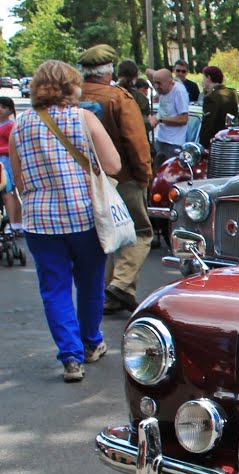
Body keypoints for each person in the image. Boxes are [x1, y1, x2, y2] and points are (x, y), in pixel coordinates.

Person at [9, 60, 122, 382]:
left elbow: (18, 180)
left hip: (41, 222)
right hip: (85, 216)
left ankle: (70, 358)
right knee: (90, 283)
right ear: (72, 86)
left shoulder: (21, 126)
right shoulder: (84, 118)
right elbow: (113, 164)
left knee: (54, 289)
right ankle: (91, 343)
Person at [79, 45, 154, 315]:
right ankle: (121, 285)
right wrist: (144, 175)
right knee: (139, 232)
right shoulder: (119, 98)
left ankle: (112, 292)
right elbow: (136, 141)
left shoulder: (72, 98)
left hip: (84, 179)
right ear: (108, 70)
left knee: (108, 235)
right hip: (121, 177)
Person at [146, 67, 189, 165]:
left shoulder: (179, 91)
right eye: (155, 83)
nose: (156, 86)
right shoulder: (162, 88)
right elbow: (148, 71)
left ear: (170, 83)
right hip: (161, 139)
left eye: (159, 83)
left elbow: (183, 119)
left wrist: (159, 120)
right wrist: (158, 75)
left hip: (174, 143)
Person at [198, 65, 238, 149]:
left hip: (215, 142)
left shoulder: (210, 97)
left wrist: (203, 145)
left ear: (208, 77)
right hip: (230, 138)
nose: (203, 81)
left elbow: (208, 125)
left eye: (203, 78)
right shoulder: (232, 93)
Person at [0, 96, 23, 229]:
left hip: (7, 163)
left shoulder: (10, 126)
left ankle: (13, 223)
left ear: (10, 111)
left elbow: (12, 146)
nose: (0, 109)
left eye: (4, 107)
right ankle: (16, 223)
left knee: (9, 193)